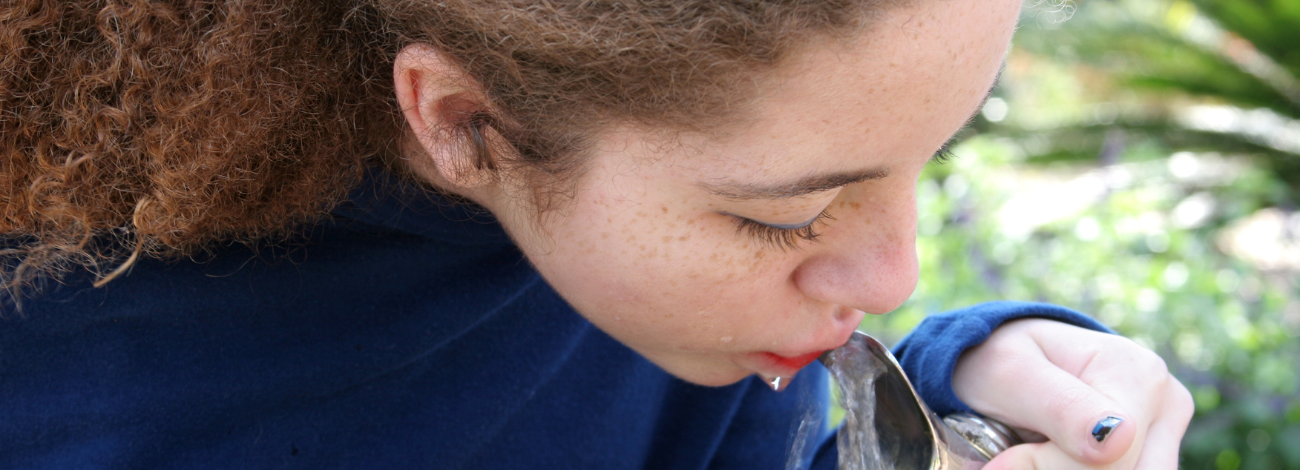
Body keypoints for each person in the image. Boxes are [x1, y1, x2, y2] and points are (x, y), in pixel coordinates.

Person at [0, 0, 1192, 469]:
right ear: (465, 122)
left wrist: (947, 412)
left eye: (932, 156)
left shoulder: (672, 310)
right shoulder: (68, 358)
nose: (894, 277)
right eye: (785, 212)